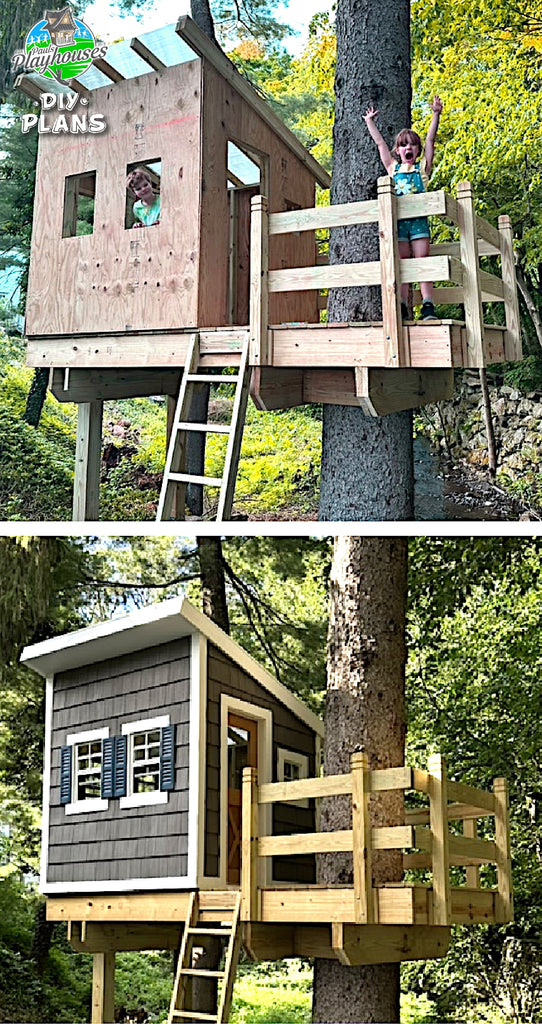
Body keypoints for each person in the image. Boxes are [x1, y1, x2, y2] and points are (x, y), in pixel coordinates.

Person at [363, 96, 442, 320]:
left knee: (422, 261)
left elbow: (430, 140)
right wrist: (370, 122)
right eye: (403, 145)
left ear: (416, 150)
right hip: (399, 225)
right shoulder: (393, 169)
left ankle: (428, 305)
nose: (408, 147)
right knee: (403, 265)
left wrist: (436, 114)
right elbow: (380, 144)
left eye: (412, 144)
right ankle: (403, 306)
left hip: (418, 223)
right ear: (398, 150)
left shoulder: (422, 169)